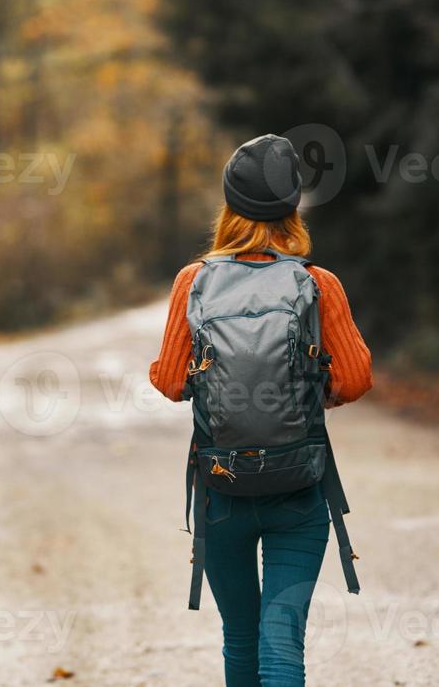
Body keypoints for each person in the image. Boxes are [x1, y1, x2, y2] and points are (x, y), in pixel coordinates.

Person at [150, 133, 374, 687]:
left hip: (221, 489)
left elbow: (169, 379)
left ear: (228, 207)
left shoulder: (193, 282)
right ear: (292, 209)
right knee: (281, 643)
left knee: (240, 640)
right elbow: (355, 378)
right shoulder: (317, 284)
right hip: (298, 489)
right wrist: (304, 390)